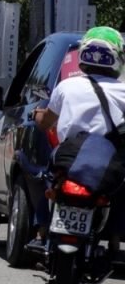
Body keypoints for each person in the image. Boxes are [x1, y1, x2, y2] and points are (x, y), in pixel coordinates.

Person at [34, 28, 125, 260]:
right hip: (107, 166)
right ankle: (114, 239)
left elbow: (45, 123)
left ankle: (41, 230)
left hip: (67, 161)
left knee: (36, 174)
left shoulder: (66, 86)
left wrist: (37, 115)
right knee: (122, 189)